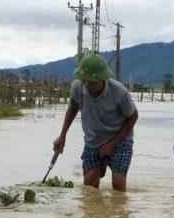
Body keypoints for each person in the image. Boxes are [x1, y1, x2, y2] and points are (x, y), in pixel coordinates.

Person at [53, 54, 139, 192]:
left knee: (118, 185)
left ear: (102, 79)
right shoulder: (77, 87)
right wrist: (62, 135)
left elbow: (133, 117)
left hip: (120, 139)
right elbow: (73, 108)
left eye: (92, 82)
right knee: (89, 186)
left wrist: (111, 144)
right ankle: (100, 167)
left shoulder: (119, 92)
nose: (87, 85)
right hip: (93, 139)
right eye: (84, 80)